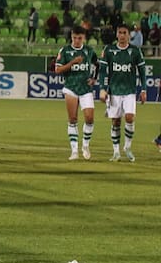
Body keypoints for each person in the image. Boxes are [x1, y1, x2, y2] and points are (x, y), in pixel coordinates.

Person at [98, 23, 147, 162]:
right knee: (116, 121)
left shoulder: (135, 51)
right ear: (116, 34)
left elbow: (142, 72)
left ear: (129, 35)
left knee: (130, 118)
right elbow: (102, 71)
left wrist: (143, 89)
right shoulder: (109, 50)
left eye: (125, 33)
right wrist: (102, 88)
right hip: (114, 91)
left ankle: (127, 147)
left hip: (130, 91)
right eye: (120, 32)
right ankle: (116, 152)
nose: (122, 35)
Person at [56, 26, 99, 160]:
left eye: (80, 38)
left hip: (86, 89)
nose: (77, 40)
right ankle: (74, 150)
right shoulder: (65, 51)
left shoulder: (89, 51)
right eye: (74, 38)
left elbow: (97, 64)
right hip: (71, 87)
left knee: (90, 118)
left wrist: (94, 78)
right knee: (73, 119)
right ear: (72, 37)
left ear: (84, 38)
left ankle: (85, 145)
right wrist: (72, 62)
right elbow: (58, 70)